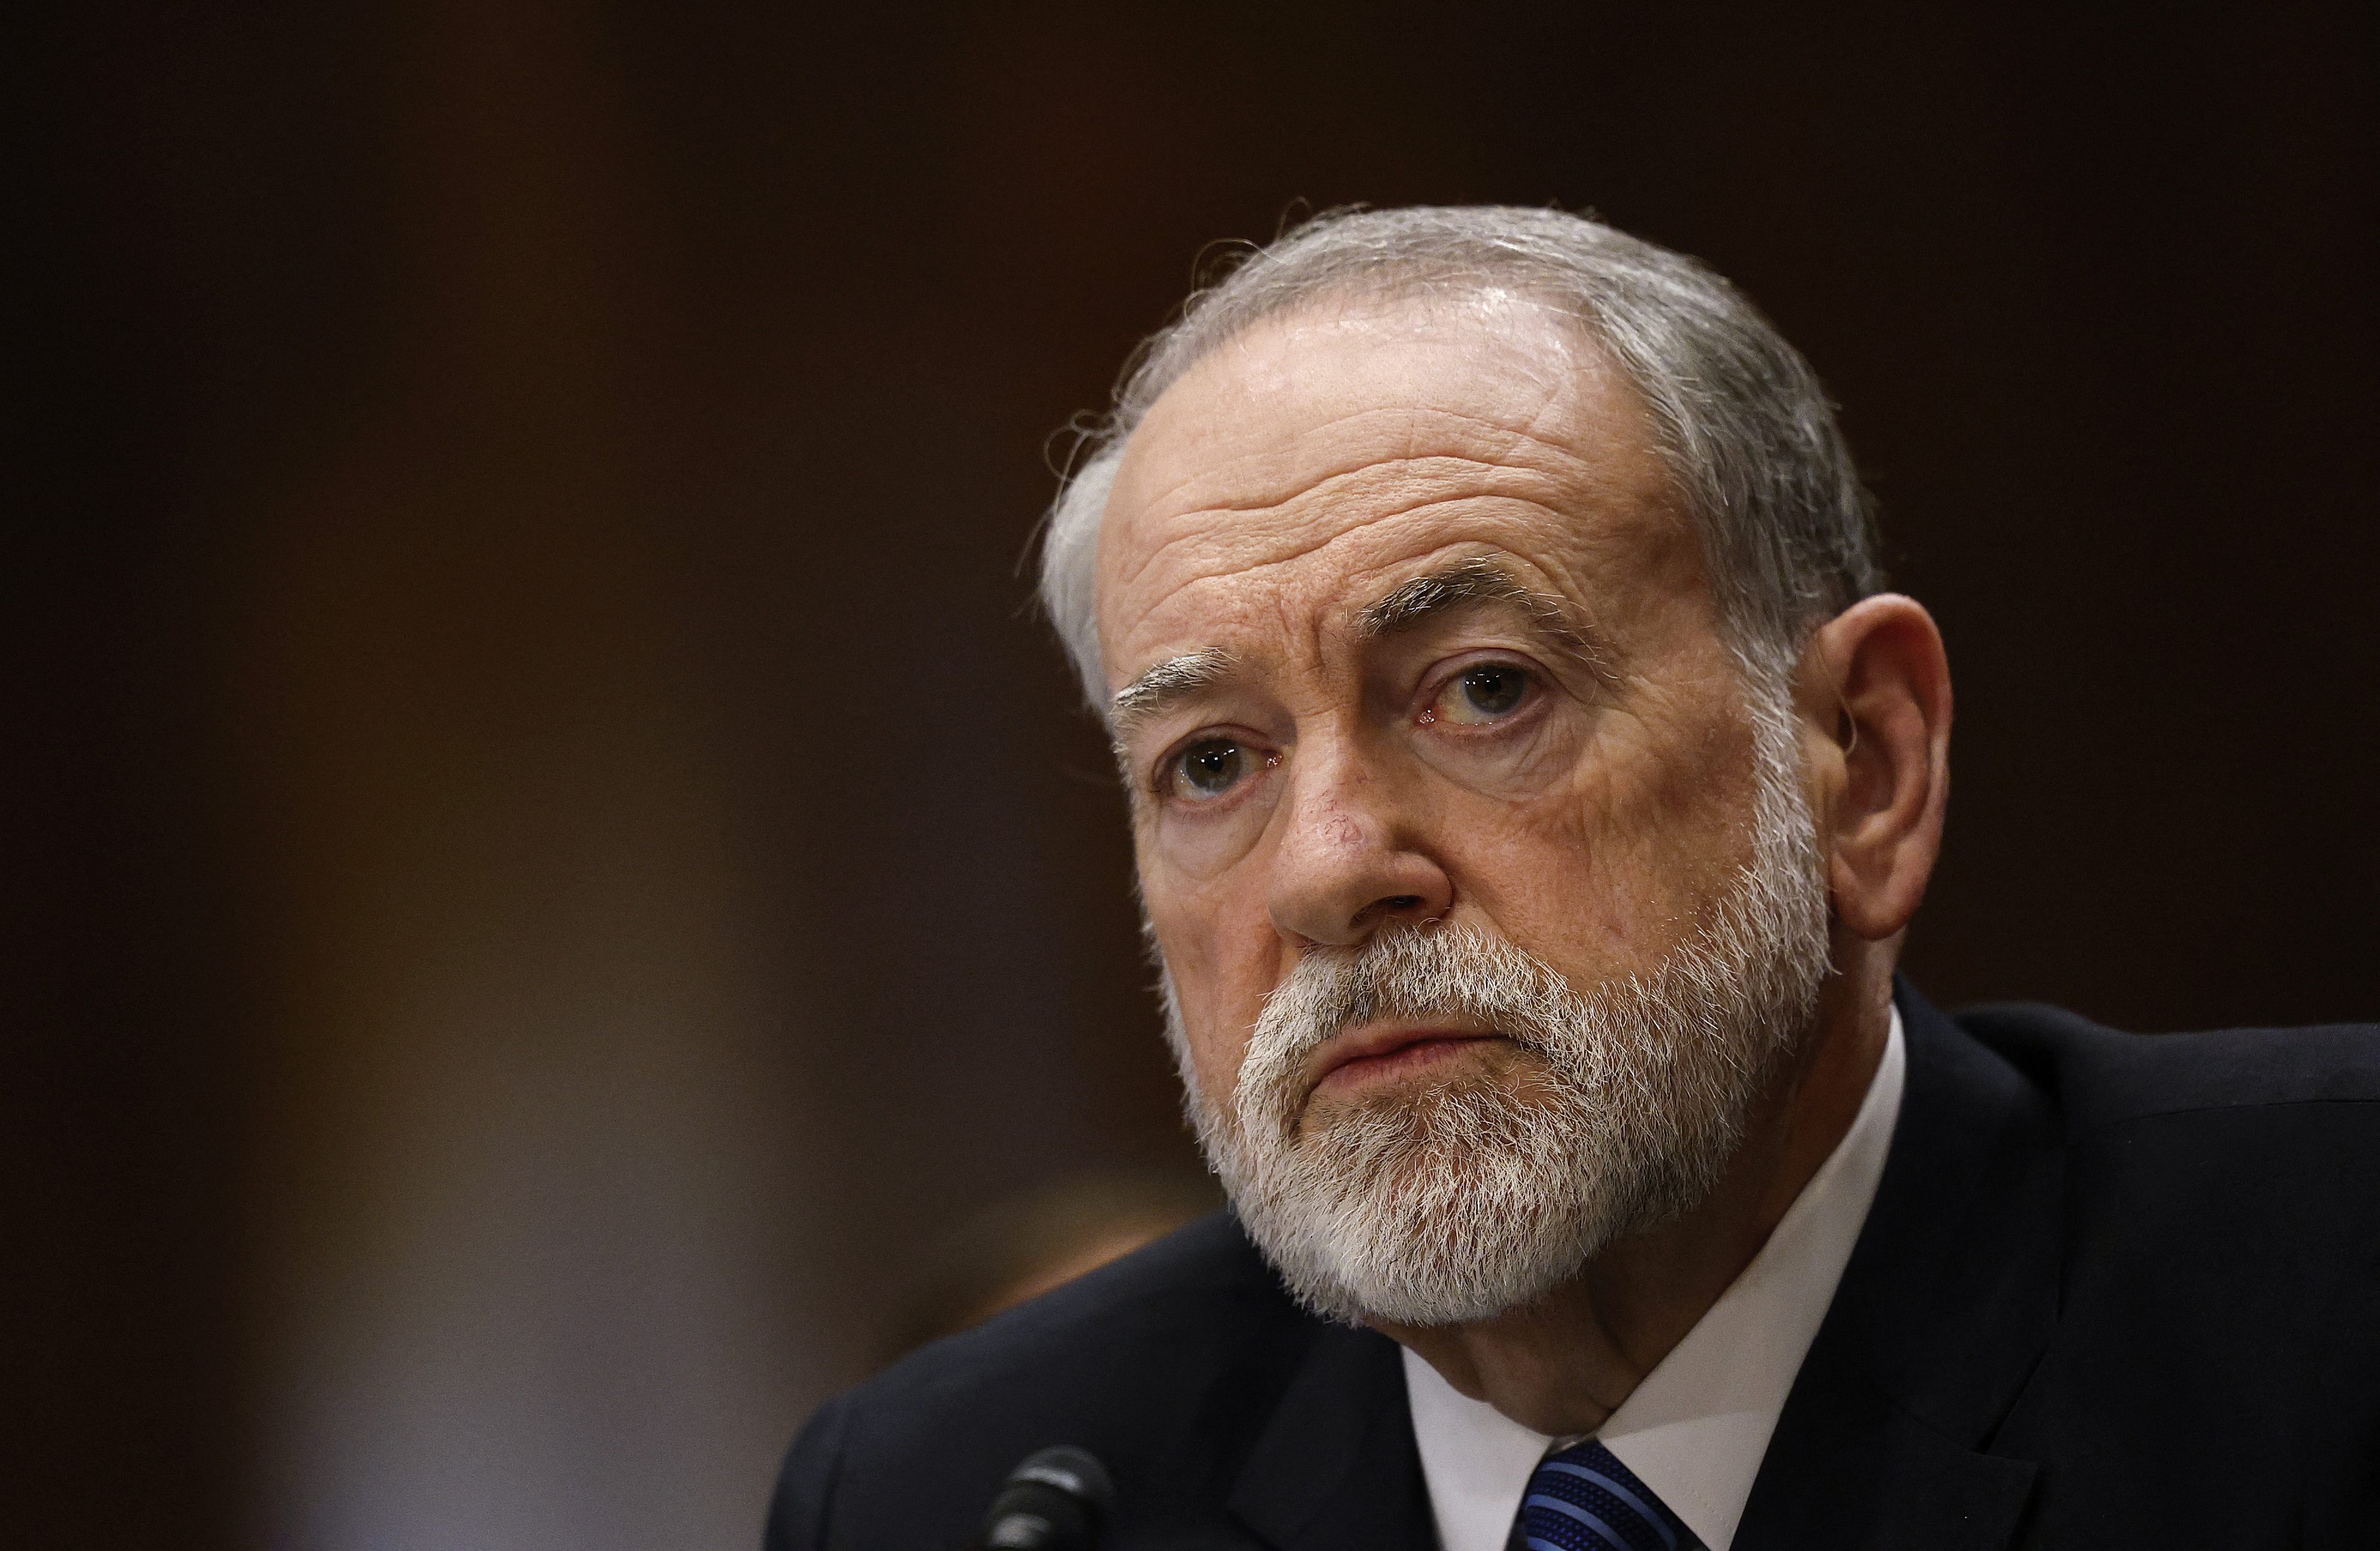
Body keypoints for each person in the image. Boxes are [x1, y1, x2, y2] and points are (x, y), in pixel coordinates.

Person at [763, 207, 2380, 1551]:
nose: (1329, 871)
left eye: (1482, 689)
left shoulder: (2323, 1291)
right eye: (1212, 760)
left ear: (1861, 764)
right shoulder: (960, 1496)